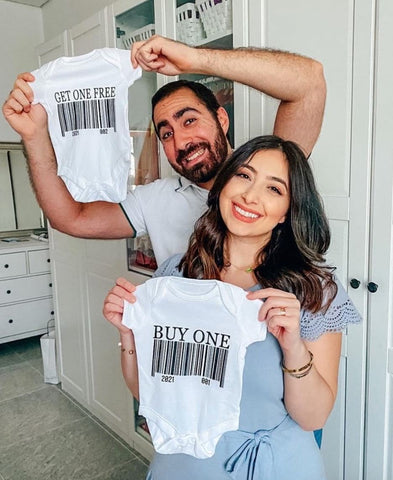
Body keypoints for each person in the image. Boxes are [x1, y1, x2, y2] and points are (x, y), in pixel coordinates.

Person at [103, 135, 361, 479]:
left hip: (277, 466)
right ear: (224, 185)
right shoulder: (176, 276)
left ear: (287, 212)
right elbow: (148, 392)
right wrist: (129, 335)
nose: (250, 196)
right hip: (186, 464)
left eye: (274, 189)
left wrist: (293, 345)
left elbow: (313, 419)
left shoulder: (316, 291)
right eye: (243, 176)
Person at [2, 35, 326, 265]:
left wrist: (197, 58)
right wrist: (35, 136)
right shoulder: (155, 199)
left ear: (221, 118)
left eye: (189, 120)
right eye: (166, 133)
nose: (180, 142)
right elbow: (72, 218)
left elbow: (309, 83)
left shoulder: (270, 170)